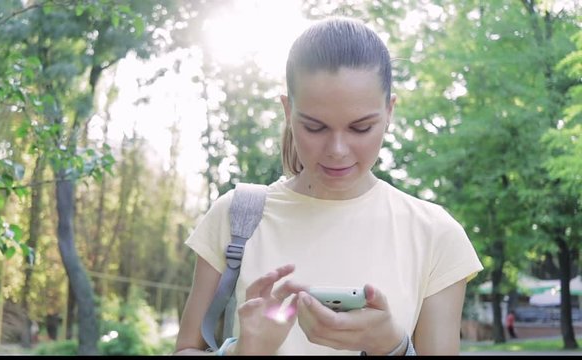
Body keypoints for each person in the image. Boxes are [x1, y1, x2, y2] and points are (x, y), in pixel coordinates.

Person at [174, 16, 483, 356]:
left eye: (361, 128)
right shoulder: (236, 216)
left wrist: (392, 347)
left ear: (390, 111)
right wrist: (245, 351)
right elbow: (187, 348)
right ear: (288, 111)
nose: (337, 150)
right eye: (315, 127)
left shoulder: (436, 234)